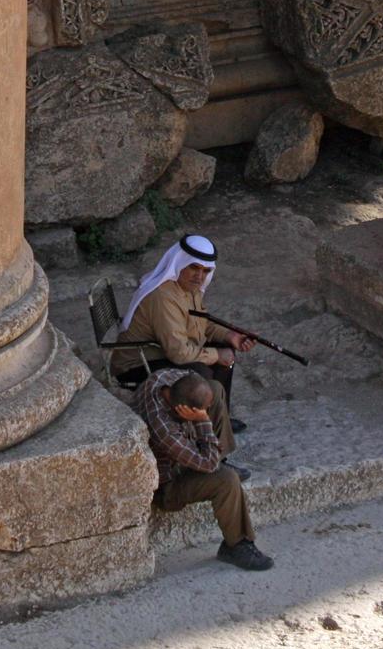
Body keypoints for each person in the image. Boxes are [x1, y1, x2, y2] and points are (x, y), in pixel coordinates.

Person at [112, 234, 256, 436]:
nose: (200, 276)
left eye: (206, 271)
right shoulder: (163, 297)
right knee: (201, 374)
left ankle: (219, 416)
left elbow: (201, 323)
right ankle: (203, 431)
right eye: (194, 268)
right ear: (180, 263)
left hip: (160, 351)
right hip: (136, 365)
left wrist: (229, 336)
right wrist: (216, 355)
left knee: (226, 353)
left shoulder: (190, 288)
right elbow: (178, 353)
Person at [134, 367, 273, 571]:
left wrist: (200, 416)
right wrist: (203, 421)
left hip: (185, 454)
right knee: (226, 479)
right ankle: (236, 545)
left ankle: (221, 456)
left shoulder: (163, 379)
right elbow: (208, 465)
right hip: (169, 483)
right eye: (200, 411)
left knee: (214, 389)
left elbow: (194, 378)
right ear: (183, 410)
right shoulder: (164, 429)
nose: (207, 412)